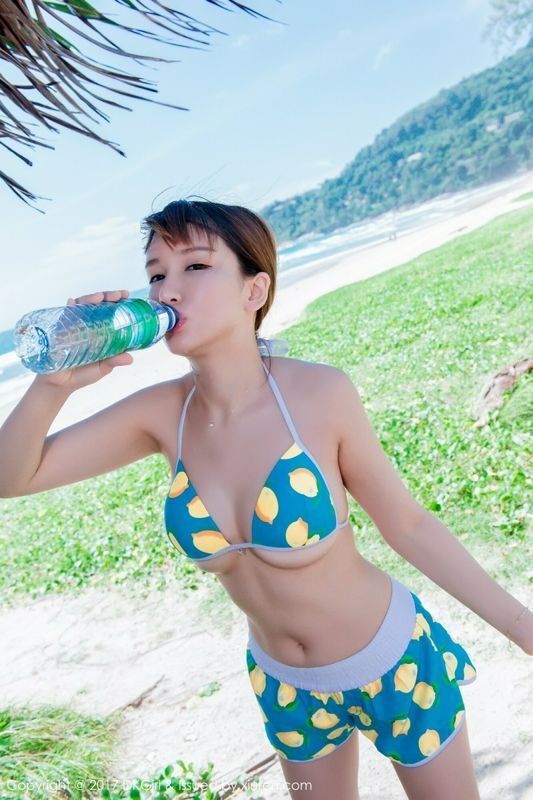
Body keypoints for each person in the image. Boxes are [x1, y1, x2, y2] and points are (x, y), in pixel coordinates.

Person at [1, 198, 531, 800]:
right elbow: (13, 477)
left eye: (195, 266)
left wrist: (522, 626)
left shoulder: (318, 393)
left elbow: (406, 523)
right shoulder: (161, 416)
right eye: (156, 273)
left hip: (395, 664)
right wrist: (53, 385)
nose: (167, 289)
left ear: (254, 291)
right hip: (285, 688)